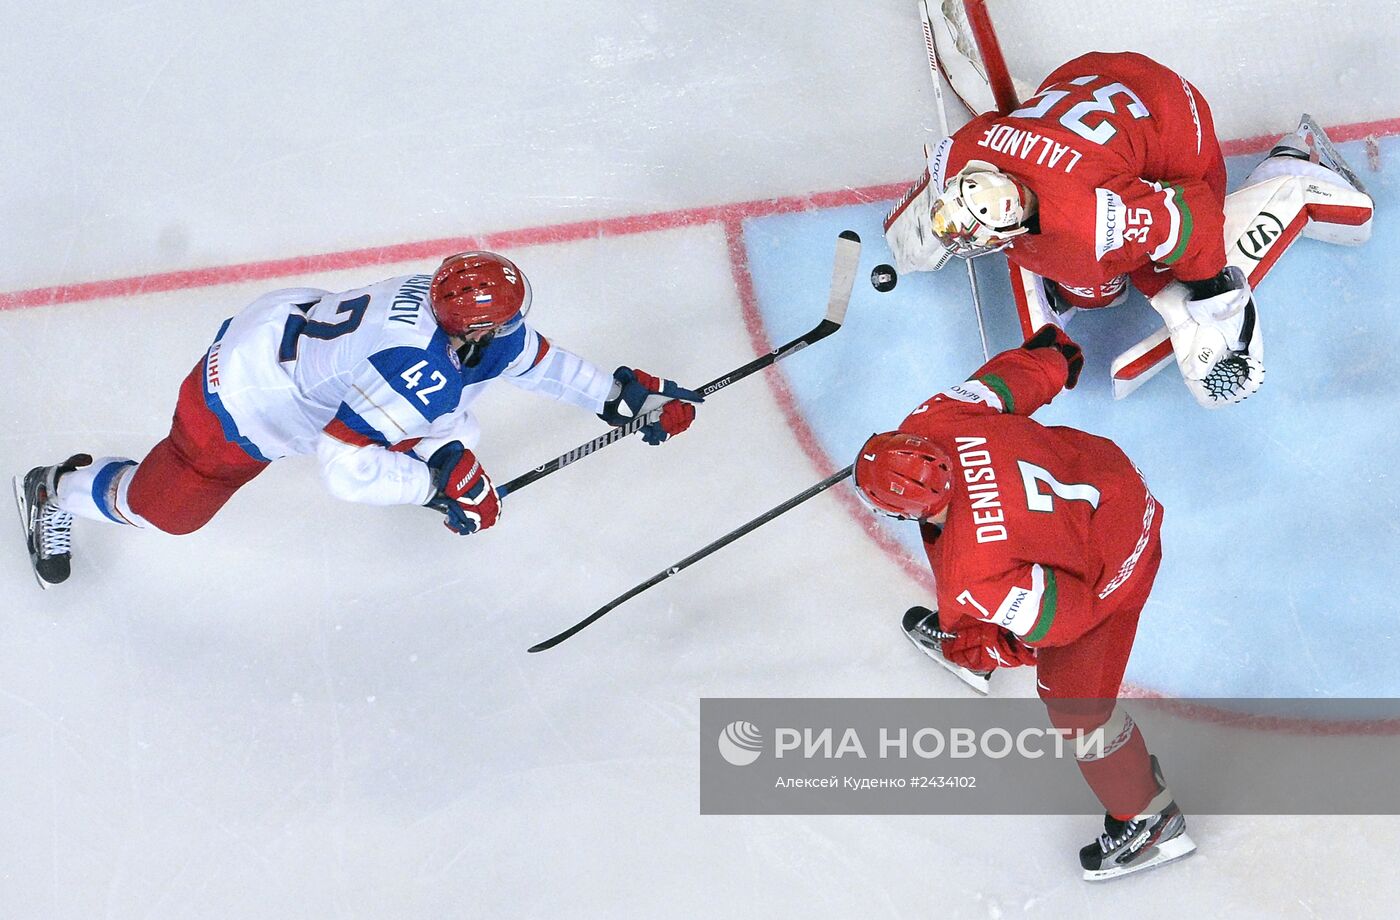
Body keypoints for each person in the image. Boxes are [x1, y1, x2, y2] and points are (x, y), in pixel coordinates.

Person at [15, 251, 699, 588]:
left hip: (281, 332)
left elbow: (528, 359)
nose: (517, 330)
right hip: (236, 407)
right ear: (471, 332)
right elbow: (343, 468)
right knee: (167, 510)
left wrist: (617, 396)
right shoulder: (417, 370)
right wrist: (435, 487)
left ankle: (443, 463)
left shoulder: (448, 312)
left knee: (452, 433)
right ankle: (57, 488)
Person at [853, 325, 1194, 881]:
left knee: (1076, 708)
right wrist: (1053, 359)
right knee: (973, 582)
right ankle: (968, 641)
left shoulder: (975, 570)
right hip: (1109, 478)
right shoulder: (930, 423)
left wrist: (993, 642)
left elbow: (1065, 621)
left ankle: (1152, 820)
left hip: (1119, 563)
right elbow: (1003, 385)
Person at [883, 51, 1373, 406]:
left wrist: (1207, 294)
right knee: (1093, 275)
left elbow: (1194, 216)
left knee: (1106, 281)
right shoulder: (968, 153)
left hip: (1172, 116)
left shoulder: (1091, 221)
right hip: (1094, 76)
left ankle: (1294, 163)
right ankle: (1105, 272)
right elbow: (979, 143)